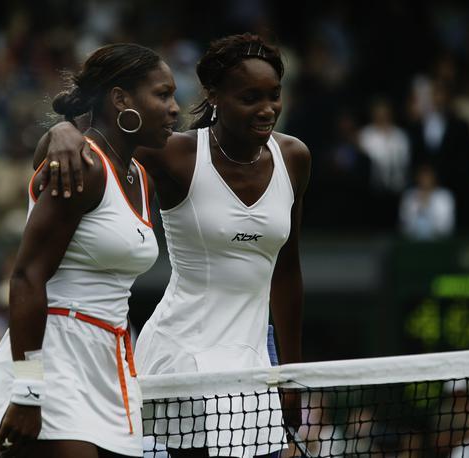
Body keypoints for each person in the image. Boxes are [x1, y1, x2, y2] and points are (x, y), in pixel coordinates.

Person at [36, 33, 310, 457]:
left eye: (274, 96)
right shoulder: (173, 153)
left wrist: (290, 372)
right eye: (250, 97)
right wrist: (62, 132)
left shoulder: (294, 157)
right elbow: (99, 142)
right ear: (214, 96)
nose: (267, 109)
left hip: (256, 358)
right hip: (182, 355)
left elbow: (287, 270)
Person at [0, 43, 179, 458]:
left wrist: (63, 129)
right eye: (162, 94)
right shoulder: (82, 167)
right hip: (52, 360)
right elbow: (26, 278)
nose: (175, 108)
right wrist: (28, 388)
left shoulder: (142, 176)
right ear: (121, 99)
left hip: (111, 365)